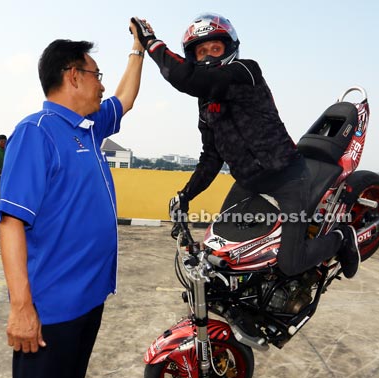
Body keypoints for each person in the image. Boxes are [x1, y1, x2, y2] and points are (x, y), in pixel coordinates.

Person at [0, 21, 144, 378]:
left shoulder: (89, 129)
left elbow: (125, 99)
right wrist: (21, 308)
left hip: (87, 302)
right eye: (96, 74)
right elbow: (11, 224)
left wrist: (138, 51)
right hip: (51, 313)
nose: (101, 85)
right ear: (73, 76)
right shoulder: (36, 133)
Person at [131, 14, 360, 278]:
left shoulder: (246, 72)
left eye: (214, 49)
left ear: (229, 48)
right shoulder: (205, 102)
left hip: (288, 178)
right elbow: (211, 157)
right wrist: (185, 195)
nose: (207, 56)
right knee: (219, 251)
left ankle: (342, 237)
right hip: (249, 182)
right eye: (201, 52)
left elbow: (187, 78)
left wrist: (150, 41)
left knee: (291, 263)